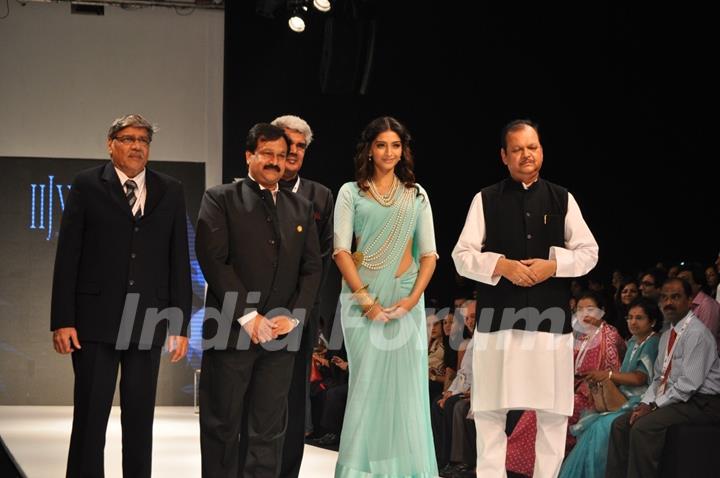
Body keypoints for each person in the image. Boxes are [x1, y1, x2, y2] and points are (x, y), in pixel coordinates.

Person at [452, 119, 599, 478]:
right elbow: (461, 255)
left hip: (549, 325)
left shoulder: (562, 197)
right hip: (498, 322)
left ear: (542, 151)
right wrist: (500, 265)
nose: (525, 155)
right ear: (504, 156)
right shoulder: (485, 198)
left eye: (531, 147)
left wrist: (554, 265)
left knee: (551, 416)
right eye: (517, 149)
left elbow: (589, 251)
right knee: (489, 414)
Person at [50, 114, 192, 478]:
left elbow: (178, 259)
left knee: (141, 418)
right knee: (90, 417)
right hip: (94, 320)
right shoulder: (87, 185)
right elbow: (69, 255)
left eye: (143, 140)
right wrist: (63, 319)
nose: (137, 146)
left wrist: (178, 323)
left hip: (148, 319)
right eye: (128, 139)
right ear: (110, 143)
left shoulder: (170, 189)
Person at [196, 123, 322, 477]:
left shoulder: (301, 207)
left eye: (281, 155)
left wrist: (294, 316)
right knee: (222, 425)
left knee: (267, 430)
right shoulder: (220, 198)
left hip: (280, 336)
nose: (275, 161)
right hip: (231, 331)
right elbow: (213, 260)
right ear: (249, 155)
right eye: (267, 153)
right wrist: (248, 317)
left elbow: (313, 269)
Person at [333, 116, 438, 477]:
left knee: (406, 395)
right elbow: (341, 251)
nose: (389, 152)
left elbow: (429, 255)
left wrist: (410, 302)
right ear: (369, 149)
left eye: (396, 145)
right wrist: (365, 300)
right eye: (381, 145)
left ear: (403, 149)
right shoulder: (351, 192)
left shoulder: (416, 194)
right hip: (362, 300)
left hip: (406, 300)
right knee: (366, 389)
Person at [270, 115, 335, 478]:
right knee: (258, 400)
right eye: (287, 144)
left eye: (300, 146)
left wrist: (305, 312)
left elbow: (323, 262)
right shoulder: (246, 190)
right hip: (257, 316)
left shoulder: (320, 196)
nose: (292, 152)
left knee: (296, 402)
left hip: (300, 316)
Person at [606, 278, 720, 477]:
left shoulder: (697, 334)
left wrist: (654, 406)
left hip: (703, 402)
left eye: (675, 297)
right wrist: (646, 403)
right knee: (620, 425)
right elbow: (659, 377)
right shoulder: (667, 335)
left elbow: (688, 385)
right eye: (665, 297)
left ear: (689, 300)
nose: (668, 302)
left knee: (642, 427)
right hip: (678, 399)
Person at [505, 290, 626, 475]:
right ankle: (522, 465)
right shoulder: (578, 336)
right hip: (569, 389)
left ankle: (534, 467)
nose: (584, 314)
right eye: (580, 309)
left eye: (590, 309)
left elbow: (611, 370)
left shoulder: (609, 334)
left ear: (602, 311)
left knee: (551, 412)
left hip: (593, 396)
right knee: (535, 408)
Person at [558, 297, 661, 478]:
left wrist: (608, 376)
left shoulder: (652, 342)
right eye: (630, 318)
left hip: (640, 398)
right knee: (590, 422)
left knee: (600, 426)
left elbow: (640, 378)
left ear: (652, 321)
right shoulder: (632, 342)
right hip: (621, 395)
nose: (633, 322)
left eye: (639, 318)